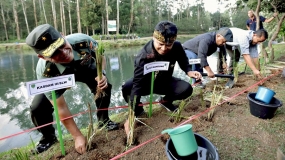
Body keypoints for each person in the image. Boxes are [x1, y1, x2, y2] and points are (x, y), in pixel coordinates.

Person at [26, 24, 118, 154]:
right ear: (43, 57)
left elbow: (100, 55)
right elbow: (61, 107)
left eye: (62, 45)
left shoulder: (83, 41)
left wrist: (101, 73)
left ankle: (104, 121)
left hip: (85, 69)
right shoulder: (45, 72)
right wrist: (77, 136)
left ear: (63, 36)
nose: (64, 53)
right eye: (55, 53)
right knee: (37, 107)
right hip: (59, 78)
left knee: (104, 86)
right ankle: (48, 138)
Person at [121, 21, 202, 135]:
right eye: (160, 44)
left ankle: (166, 101)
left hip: (165, 81)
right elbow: (138, 84)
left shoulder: (177, 46)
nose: (164, 48)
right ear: (153, 38)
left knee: (187, 89)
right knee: (127, 87)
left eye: (168, 45)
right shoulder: (144, 56)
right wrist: (131, 115)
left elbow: (183, 60)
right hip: (145, 84)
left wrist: (189, 71)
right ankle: (138, 111)